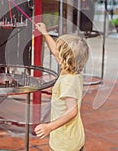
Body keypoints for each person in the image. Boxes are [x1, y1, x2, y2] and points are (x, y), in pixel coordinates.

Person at [34, 22, 89, 151]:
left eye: (60, 51)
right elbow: (54, 51)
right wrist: (45, 33)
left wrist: (49, 127)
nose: (56, 53)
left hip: (66, 141)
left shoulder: (68, 82)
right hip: (72, 136)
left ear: (65, 58)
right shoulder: (72, 70)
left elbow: (72, 112)